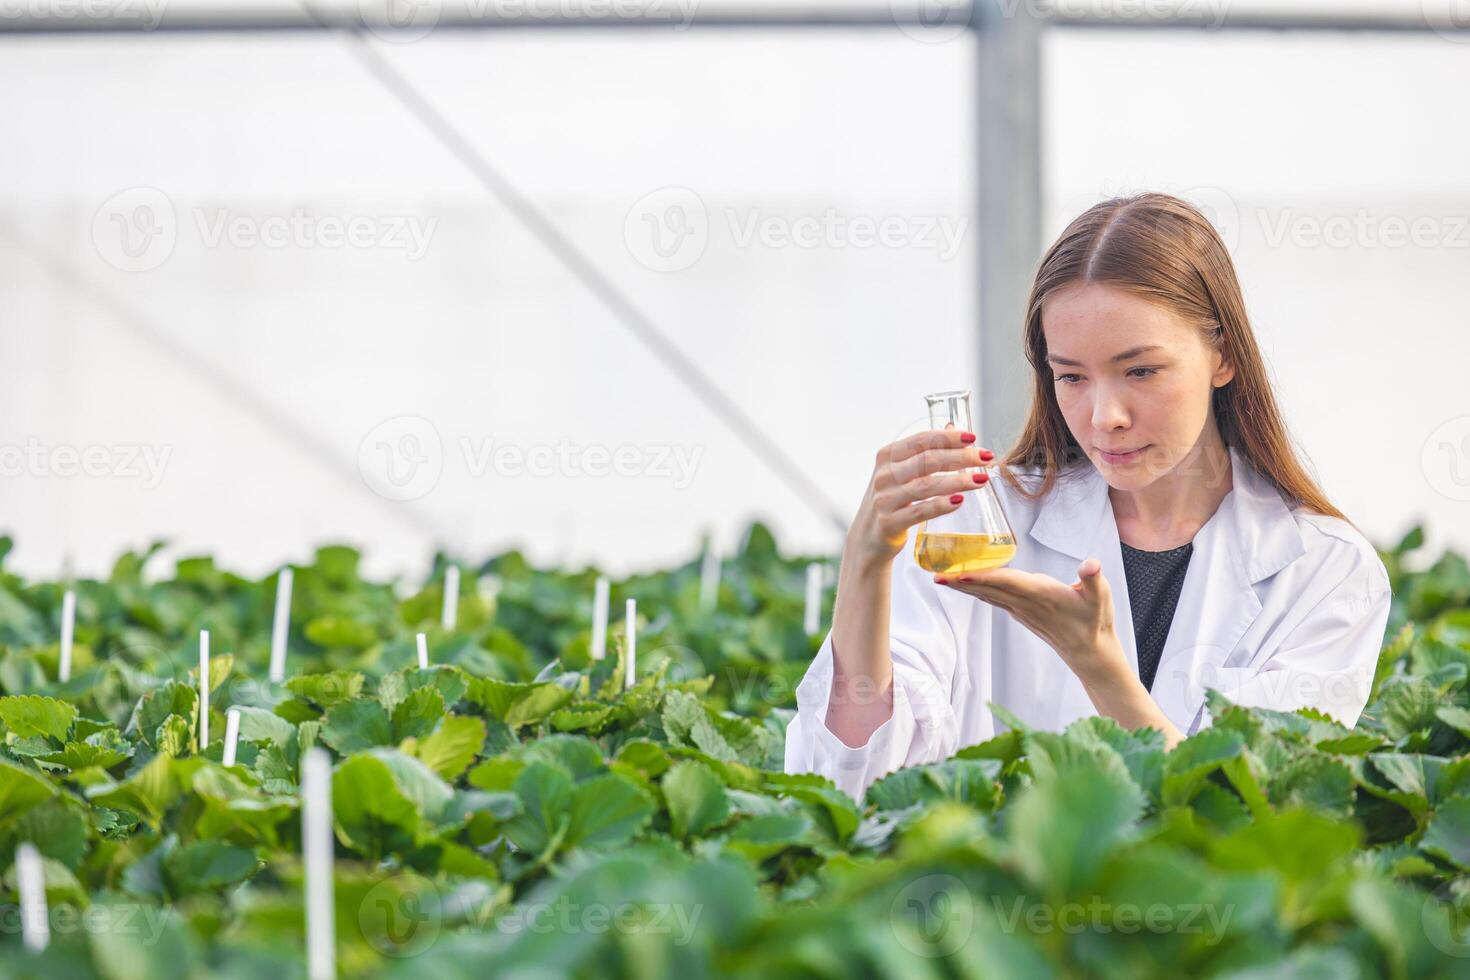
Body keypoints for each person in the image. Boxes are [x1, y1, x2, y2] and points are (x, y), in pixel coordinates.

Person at [784, 192, 1393, 802]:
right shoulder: (972, 526)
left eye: (1141, 371)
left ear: (1223, 356)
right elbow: (854, 787)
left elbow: (1252, 816)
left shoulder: (1327, 569)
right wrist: (865, 564)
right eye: (1072, 376)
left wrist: (1094, 662)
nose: (1105, 417)